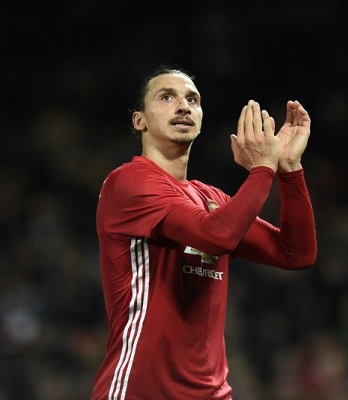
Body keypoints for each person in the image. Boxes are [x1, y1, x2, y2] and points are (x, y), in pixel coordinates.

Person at [91, 67, 317, 399]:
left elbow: (296, 253)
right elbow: (217, 236)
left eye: (192, 100)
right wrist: (262, 169)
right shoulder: (128, 182)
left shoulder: (211, 199)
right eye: (166, 97)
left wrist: (289, 170)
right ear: (140, 121)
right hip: (142, 390)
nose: (183, 106)